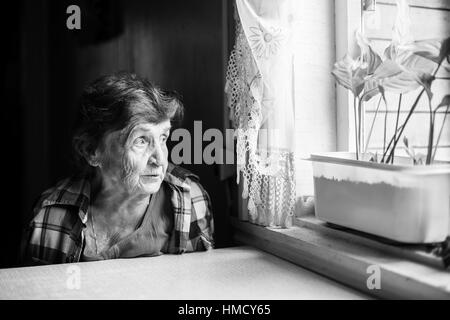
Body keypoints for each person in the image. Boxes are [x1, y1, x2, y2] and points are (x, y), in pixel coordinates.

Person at [20, 72, 214, 265]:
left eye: (163, 138)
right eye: (141, 141)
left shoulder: (188, 200)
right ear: (90, 151)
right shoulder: (51, 216)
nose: (160, 160)